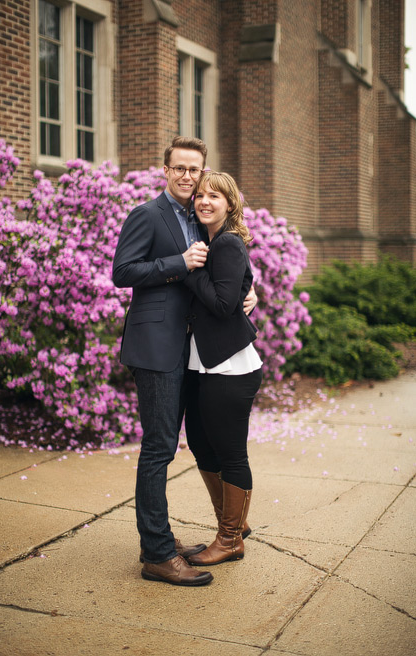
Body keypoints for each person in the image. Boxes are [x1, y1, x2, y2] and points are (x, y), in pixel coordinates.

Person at [111, 136, 256, 586]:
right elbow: (122, 272)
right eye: (179, 168)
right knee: (158, 449)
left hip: (194, 353)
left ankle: (171, 536)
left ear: (202, 171)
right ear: (166, 169)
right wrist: (178, 262)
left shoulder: (199, 216)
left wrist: (251, 293)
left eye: (195, 170)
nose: (188, 176)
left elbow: (225, 272)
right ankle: (156, 552)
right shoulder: (146, 214)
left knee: (186, 445)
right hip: (157, 347)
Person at [181, 171, 262, 566]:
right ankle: (232, 523)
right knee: (199, 442)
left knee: (230, 453)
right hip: (206, 362)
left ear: (230, 204)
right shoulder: (211, 243)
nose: (204, 200)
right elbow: (238, 287)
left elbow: (224, 304)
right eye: (199, 195)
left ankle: (230, 539)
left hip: (231, 366)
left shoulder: (225, 243)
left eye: (215, 195)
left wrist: (191, 272)